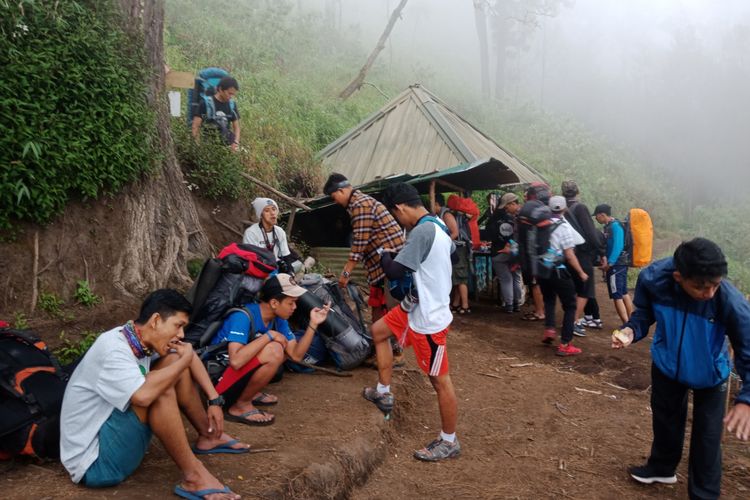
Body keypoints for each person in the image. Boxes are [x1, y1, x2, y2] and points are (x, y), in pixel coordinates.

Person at [60, 289, 246, 500]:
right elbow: (143, 396)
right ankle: (195, 476)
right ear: (156, 320)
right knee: (159, 389)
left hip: (110, 442)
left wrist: (214, 400)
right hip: (95, 464)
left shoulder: (139, 338)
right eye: (178, 326)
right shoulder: (113, 349)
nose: (182, 334)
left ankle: (209, 434)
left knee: (175, 363)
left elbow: (188, 353)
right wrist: (184, 360)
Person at [612, 238, 750, 499]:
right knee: (665, 421)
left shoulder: (729, 301)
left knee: (707, 439)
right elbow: (644, 314)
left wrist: (746, 400)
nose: (708, 293)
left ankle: (704, 495)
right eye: (700, 287)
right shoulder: (654, 280)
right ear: (678, 277)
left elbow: (748, 350)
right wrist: (631, 330)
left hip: (711, 374)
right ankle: (662, 468)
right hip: (667, 365)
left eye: (715, 285)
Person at [363, 182, 460, 462]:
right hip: (415, 305)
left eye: (396, 216)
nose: (397, 221)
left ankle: (449, 441)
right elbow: (448, 253)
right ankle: (383, 392)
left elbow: (394, 271)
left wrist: (383, 255)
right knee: (378, 332)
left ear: (400, 208)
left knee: (440, 381)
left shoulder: (421, 231)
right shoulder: (438, 225)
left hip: (429, 318)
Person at [209, 274, 330, 426]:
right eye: (291, 303)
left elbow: (296, 355)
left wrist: (314, 323)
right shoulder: (243, 317)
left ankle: (250, 393)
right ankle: (240, 406)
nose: (295, 308)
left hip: (235, 376)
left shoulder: (278, 319)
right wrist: (269, 336)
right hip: (216, 385)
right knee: (274, 350)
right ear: (274, 303)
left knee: (280, 349)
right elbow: (236, 361)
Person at [323, 173, 404, 322]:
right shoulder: (358, 204)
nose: (336, 202)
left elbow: (360, 241)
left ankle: (393, 342)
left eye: (334, 198)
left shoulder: (360, 204)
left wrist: (346, 273)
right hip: (381, 265)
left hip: (389, 264)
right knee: (378, 307)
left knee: (391, 309)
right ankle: (379, 339)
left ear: (341, 191)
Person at [539, 196, 588, 356]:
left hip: (542, 269)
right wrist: (581, 272)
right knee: (570, 305)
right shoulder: (564, 227)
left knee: (549, 299)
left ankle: (550, 330)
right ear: (565, 209)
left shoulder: (541, 223)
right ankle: (565, 344)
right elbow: (569, 254)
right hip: (558, 270)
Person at [560, 180, 604, 338]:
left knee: (573, 289)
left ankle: (571, 319)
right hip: (582, 255)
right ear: (578, 192)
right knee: (585, 289)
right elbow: (591, 233)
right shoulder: (580, 208)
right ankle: (573, 322)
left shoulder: (561, 209)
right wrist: (601, 251)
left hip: (566, 254)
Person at [593, 203, 634, 323]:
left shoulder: (615, 226)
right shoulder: (609, 226)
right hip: (620, 264)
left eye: (597, 216)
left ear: (602, 214)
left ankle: (626, 324)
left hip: (617, 265)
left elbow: (618, 245)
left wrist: (610, 263)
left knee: (617, 295)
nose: (596, 218)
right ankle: (630, 321)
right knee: (624, 292)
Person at [518, 182, 551, 322]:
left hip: (533, 254)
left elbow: (523, 235)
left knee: (534, 283)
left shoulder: (529, 208)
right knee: (541, 283)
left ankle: (539, 312)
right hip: (547, 253)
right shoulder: (548, 209)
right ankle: (543, 310)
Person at [243, 197, 300, 273]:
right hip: (258, 270)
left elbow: (286, 256)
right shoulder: (251, 233)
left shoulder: (279, 231)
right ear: (261, 215)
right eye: (267, 211)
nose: (272, 213)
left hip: (276, 267)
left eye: (274, 209)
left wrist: (290, 272)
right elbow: (251, 259)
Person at [487, 192, 523, 313]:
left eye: (507, 206)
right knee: (516, 277)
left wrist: (508, 245)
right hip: (515, 252)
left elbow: (489, 234)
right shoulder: (516, 218)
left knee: (506, 278)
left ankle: (509, 305)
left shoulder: (496, 219)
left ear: (512, 203)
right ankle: (517, 304)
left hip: (499, 252)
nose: (506, 209)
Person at [191, 76, 241, 152]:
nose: (231, 96)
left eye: (233, 94)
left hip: (226, 146)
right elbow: (195, 126)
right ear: (220, 89)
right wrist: (198, 146)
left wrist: (235, 142)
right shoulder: (205, 103)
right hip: (208, 146)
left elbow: (236, 127)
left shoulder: (232, 105)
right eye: (229, 93)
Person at [446, 194, 476, 314]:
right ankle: (456, 304)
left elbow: (455, 233)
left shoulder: (454, 216)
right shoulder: (463, 216)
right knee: (458, 277)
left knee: (460, 277)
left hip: (459, 248)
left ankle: (465, 305)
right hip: (465, 248)